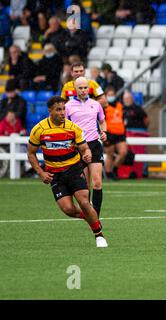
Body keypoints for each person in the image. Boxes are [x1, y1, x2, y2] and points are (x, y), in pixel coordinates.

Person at [27, 96, 107, 248]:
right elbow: (31, 153)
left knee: (84, 202)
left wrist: (87, 153)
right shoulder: (39, 129)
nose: (62, 112)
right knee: (68, 210)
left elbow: (84, 147)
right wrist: (41, 173)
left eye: (64, 109)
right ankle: (92, 218)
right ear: (49, 111)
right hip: (55, 175)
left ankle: (99, 235)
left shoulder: (73, 128)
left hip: (74, 170)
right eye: (58, 110)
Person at [65, 77, 107, 218]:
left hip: (94, 144)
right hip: (79, 147)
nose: (83, 90)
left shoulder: (96, 104)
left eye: (85, 88)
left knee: (97, 182)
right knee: (85, 185)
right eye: (80, 88)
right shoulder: (69, 106)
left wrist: (104, 132)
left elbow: (102, 121)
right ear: (75, 89)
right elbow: (64, 126)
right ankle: (89, 213)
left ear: (88, 88)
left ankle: (96, 215)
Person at [103, 87, 128, 180]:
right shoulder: (104, 107)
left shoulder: (120, 105)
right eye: (109, 95)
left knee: (123, 152)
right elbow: (102, 121)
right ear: (105, 96)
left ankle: (114, 169)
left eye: (112, 94)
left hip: (120, 133)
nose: (111, 96)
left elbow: (123, 119)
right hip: (109, 133)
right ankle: (108, 173)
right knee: (110, 154)